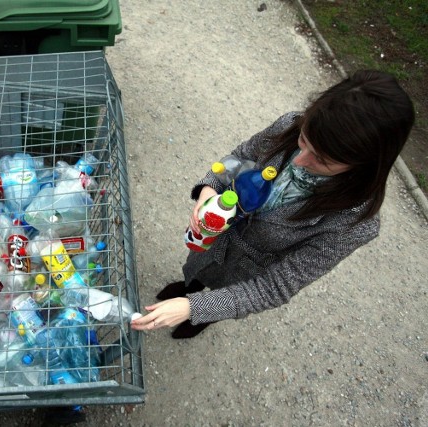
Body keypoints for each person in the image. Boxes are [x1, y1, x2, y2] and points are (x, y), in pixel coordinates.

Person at [130, 70, 415, 339]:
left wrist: (196, 308)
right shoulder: (289, 126)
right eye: (304, 140)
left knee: (206, 303)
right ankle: (188, 285)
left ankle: (200, 317)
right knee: (194, 271)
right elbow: (240, 157)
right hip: (212, 239)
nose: (300, 161)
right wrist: (209, 190)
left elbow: (275, 287)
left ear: (365, 165)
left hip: (244, 275)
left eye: (323, 160)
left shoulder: (353, 223)